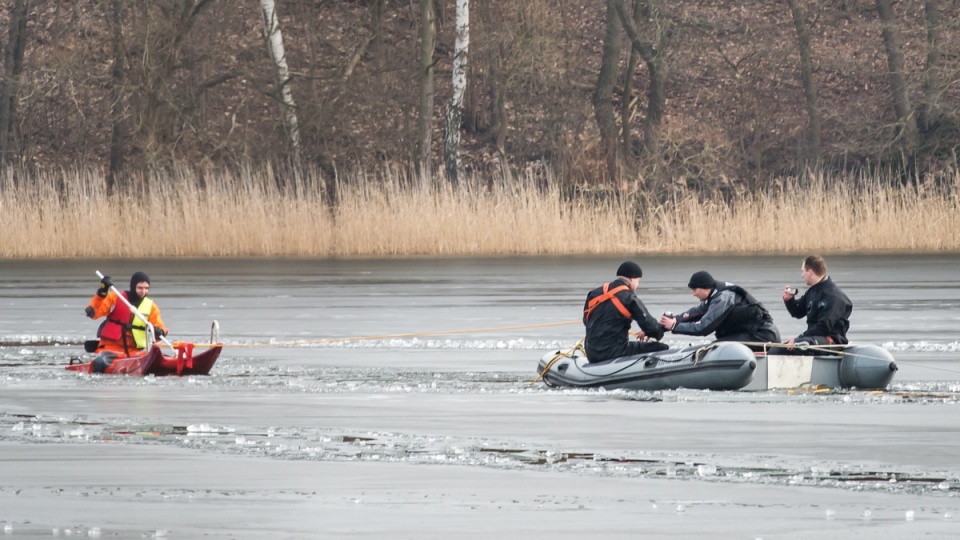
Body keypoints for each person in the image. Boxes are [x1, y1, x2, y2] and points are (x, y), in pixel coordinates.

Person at [660, 270, 780, 351]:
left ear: (705, 288)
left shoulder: (723, 298)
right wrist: (666, 324)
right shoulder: (715, 293)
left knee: (716, 348)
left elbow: (703, 327)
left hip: (764, 335)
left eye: (694, 289)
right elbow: (695, 313)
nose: (693, 294)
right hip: (753, 333)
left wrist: (675, 326)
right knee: (718, 345)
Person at [582, 261, 668, 363]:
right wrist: (660, 330)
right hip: (615, 352)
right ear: (632, 279)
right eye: (638, 281)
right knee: (662, 348)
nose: (637, 285)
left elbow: (586, 321)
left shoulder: (594, 294)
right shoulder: (629, 298)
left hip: (591, 353)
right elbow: (651, 327)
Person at [84, 271, 168, 372]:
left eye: (146, 288)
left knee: (163, 357)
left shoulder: (151, 307)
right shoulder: (115, 298)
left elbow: (160, 327)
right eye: (140, 288)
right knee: (99, 362)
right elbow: (93, 313)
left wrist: (160, 331)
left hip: (135, 352)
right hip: (111, 350)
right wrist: (102, 292)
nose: (143, 291)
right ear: (133, 287)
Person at [773, 255, 852, 354]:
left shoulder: (834, 296)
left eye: (803, 271)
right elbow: (797, 312)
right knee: (775, 350)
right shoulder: (812, 291)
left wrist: (798, 339)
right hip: (813, 338)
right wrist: (789, 300)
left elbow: (824, 326)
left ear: (810, 272)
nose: (802, 275)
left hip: (831, 340)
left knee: (799, 345)